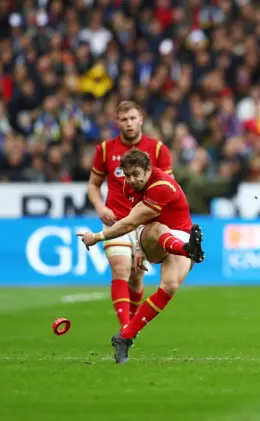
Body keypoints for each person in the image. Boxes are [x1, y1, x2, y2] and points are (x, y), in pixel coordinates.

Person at [78, 149, 205, 364]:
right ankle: (188, 249)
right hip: (160, 238)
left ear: (148, 169)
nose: (131, 180)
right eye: (127, 175)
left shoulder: (161, 186)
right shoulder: (130, 186)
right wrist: (136, 247)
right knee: (157, 227)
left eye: (136, 174)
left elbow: (131, 221)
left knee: (170, 286)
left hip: (179, 235)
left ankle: (124, 337)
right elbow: (136, 221)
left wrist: (97, 237)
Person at [88, 101, 172, 330]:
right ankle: (126, 330)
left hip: (144, 223)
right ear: (117, 122)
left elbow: (167, 187)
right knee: (120, 268)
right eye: (124, 119)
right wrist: (100, 207)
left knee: (136, 278)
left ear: (141, 119)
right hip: (116, 220)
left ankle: (130, 327)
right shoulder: (105, 150)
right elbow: (94, 185)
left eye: (133, 118)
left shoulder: (157, 150)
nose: (129, 123)